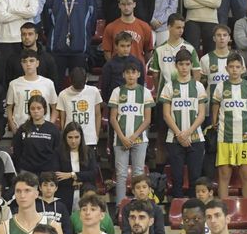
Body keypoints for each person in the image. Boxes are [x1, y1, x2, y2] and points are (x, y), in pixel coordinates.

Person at [161, 49, 208, 198]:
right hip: (174, 139)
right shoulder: (169, 87)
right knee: (177, 178)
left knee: (195, 178)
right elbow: (166, 114)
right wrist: (179, 134)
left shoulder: (198, 86)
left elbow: (201, 115)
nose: (184, 68)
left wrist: (188, 133)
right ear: (176, 65)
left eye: (187, 64)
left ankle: (195, 210)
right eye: (181, 64)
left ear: (191, 65)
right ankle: (177, 211)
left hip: (196, 138)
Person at [213, 52, 247, 199]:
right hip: (225, 136)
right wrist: (214, 122)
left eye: (237, 67)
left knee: (246, 175)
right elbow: (215, 105)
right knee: (224, 175)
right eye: (231, 67)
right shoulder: (220, 87)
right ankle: (223, 210)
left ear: (243, 69)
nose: (234, 69)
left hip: (245, 137)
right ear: (226, 68)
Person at [42, 0, 97, 83]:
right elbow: (46, 23)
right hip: (57, 50)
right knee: (55, 86)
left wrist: (85, 40)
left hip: (79, 50)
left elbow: (92, 24)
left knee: (79, 86)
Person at [108, 61, 154, 203]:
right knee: (121, 174)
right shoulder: (117, 91)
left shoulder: (145, 92)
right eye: (128, 72)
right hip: (120, 140)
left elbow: (147, 119)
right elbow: (112, 118)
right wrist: (122, 137)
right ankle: (120, 207)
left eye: (133, 72)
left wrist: (133, 136)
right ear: (123, 74)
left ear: (139, 74)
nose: (131, 75)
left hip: (140, 140)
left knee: (138, 173)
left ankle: (140, 204)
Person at [0, 0, 41, 71]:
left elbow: (32, 12)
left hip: (25, 40)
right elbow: (2, 17)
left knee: (26, 72)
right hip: (6, 39)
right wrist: (23, 14)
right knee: (7, 74)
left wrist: (11, 10)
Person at [5, 51, 58, 133]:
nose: (28, 64)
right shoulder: (14, 84)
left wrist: (50, 125)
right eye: (24, 61)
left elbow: (55, 108)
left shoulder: (48, 83)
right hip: (21, 128)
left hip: (43, 129)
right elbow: (9, 108)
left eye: (31, 61)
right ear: (21, 64)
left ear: (37, 63)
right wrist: (12, 125)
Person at [55, 66, 103, 150]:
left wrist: (96, 135)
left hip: (89, 138)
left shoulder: (94, 91)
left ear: (86, 79)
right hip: (71, 138)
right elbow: (62, 119)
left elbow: (98, 115)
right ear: (70, 80)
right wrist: (64, 136)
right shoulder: (63, 94)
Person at [14, 96, 62, 178]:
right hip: (27, 171)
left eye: (39, 108)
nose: (36, 111)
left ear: (45, 109)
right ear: (29, 110)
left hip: (48, 172)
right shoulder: (23, 128)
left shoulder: (53, 129)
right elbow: (17, 151)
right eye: (32, 108)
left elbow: (58, 151)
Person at [55, 122, 97, 214]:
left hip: (84, 193)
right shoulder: (58, 153)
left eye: (76, 137)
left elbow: (93, 174)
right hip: (65, 194)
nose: (73, 141)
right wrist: (79, 178)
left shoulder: (89, 152)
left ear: (81, 137)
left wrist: (72, 175)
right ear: (65, 137)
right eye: (70, 137)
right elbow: (57, 176)